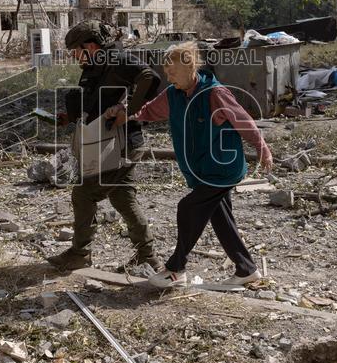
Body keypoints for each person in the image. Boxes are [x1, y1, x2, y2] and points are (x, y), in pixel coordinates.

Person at [106, 41, 273, 289]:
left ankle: (176, 269)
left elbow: (243, 121)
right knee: (221, 218)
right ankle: (246, 269)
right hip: (201, 171)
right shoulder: (173, 94)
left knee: (188, 208)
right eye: (166, 71)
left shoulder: (214, 93)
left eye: (172, 70)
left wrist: (262, 149)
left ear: (190, 66)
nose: (168, 75)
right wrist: (125, 112)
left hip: (222, 169)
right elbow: (148, 111)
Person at [46, 19, 161, 272]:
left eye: (76, 50)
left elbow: (149, 77)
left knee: (84, 193)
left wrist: (128, 108)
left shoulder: (117, 59)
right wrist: (70, 117)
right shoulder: (94, 65)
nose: (74, 57)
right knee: (122, 197)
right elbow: (95, 100)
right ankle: (148, 256)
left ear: (90, 45)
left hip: (120, 144)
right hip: (109, 142)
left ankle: (80, 254)